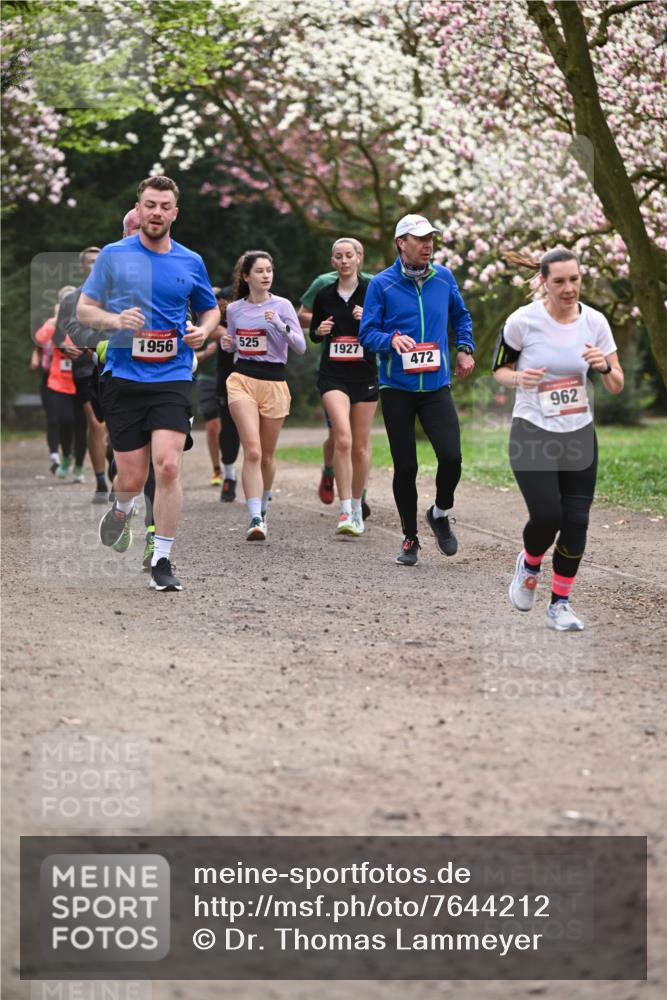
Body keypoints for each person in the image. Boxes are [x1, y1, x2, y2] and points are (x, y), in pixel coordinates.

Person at [77, 175, 220, 592]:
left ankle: (162, 559)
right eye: (149, 205)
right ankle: (122, 508)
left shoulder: (191, 261)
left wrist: (203, 331)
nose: (156, 212)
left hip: (173, 375)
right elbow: (86, 310)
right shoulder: (113, 255)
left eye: (164, 206)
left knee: (170, 465)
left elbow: (209, 311)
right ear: (137, 209)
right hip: (123, 375)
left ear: (175, 212)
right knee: (133, 479)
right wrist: (114, 321)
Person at [492, 248, 624, 631]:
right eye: (559, 281)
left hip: (578, 433)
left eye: (575, 279)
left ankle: (560, 604)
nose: (569, 288)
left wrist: (603, 366)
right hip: (533, 429)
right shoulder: (523, 321)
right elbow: (499, 369)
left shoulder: (595, 322)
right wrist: (519, 379)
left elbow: (616, 384)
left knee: (577, 522)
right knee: (548, 515)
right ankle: (530, 564)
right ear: (543, 283)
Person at [358, 214, 474, 565]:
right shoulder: (382, 284)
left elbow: (461, 316)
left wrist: (465, 348)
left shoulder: (444, 278)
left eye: (431, 239)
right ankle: (410, 538)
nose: (428, 245)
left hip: (436, 384)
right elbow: (367, 334)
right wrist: (392, 339)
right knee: (405, 467)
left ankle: (439, 513)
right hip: (397, 387)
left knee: (451, 457)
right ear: (401, 243)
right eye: (420, 239)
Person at [222, 250, 305, 540]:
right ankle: (255, 517)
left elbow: (300, 346)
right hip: (242, 379)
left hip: (274, 382)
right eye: (259, 271)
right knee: (253, 451)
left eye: (269, 270)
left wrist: (279, 325)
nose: (266, 275)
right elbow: (233, 345)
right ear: (246, 277)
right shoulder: (234, 309)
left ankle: (264, 503)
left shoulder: (283, 306)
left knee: (267, 456)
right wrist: (226, 343)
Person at [298, 238, 373, 517]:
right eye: (338, 256)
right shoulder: (322, 287)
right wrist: (320, 328)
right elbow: (305, 318)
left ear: (359, 258)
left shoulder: (373, 288)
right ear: (333, 260)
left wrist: (367, 319)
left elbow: (388, 324)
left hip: (364, 373)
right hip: (331, 372)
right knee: (341, 436)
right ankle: (333, 477)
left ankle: (358, 496)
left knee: (359, 441)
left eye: (349, 255)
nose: (344, 261)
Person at [53, 246, 110, 502]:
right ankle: (100, 482)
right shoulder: (71, 299)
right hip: (85, 368)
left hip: (114, 365)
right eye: (90, 261)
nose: (95, 265)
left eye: (100, 261)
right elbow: (57, 334)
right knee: (96, 423)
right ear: (82, 267)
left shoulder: (117, 295)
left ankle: (116, 466)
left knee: (114, 425)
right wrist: (64, 345)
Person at [34, 286, 88, 481]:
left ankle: (79, 466)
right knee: (66, 421)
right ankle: (66, 456)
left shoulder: (86, 319)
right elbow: (40, 338)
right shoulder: (56, 324)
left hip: (83, 378)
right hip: (59, 381)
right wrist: (55, 321)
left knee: (82, 426)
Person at [214, 283, 240, 502]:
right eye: (221, 307)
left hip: (257, 375)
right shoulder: (219, 318)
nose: (225, 310)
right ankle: (229, 475)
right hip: (227, 378)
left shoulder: (258, 308)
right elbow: (209, 328)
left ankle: (259, 477)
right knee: (229, 428)